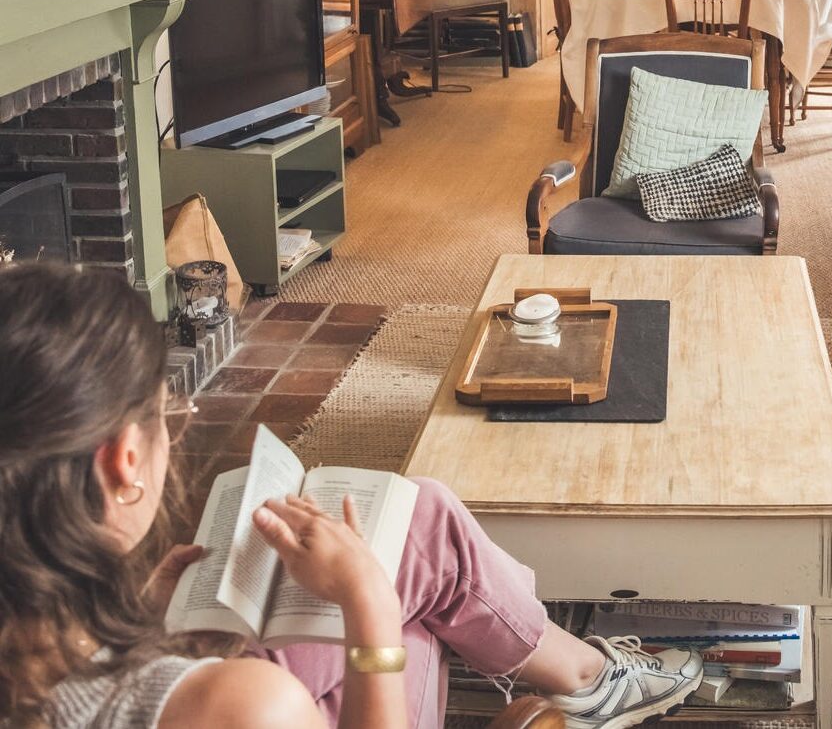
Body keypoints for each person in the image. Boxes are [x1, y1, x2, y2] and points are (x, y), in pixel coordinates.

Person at [0, 263, 703, 729]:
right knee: (407, 584)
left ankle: (577, 671)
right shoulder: (245, 706)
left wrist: (140, 616)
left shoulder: (34, 647)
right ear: (124, 459)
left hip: (133, 649)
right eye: (168, 415)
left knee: (416, 527)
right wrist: (368, 605)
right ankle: (585, 676)